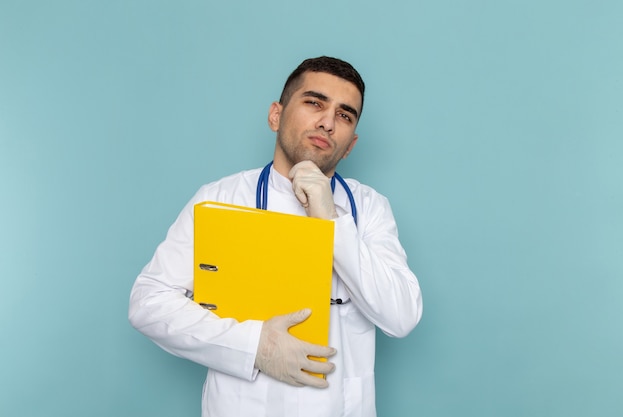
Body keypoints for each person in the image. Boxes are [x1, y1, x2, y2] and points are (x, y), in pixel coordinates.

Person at [129, 56, 423, 417]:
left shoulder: (370, 209)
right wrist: (254, 348)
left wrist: (330, 222)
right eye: (314, 102)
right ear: (275, 115)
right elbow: (148, 303)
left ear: (351, 145)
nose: (328, 122)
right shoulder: (220, 198)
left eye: (344, 115)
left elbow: (402, 315)